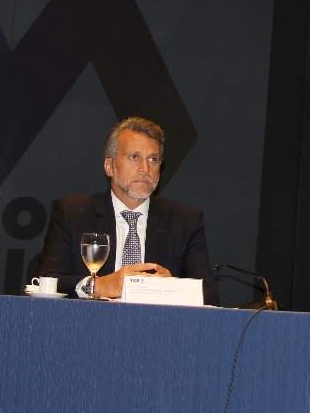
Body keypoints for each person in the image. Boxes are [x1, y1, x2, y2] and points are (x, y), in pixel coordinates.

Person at [35, 116, 214, 303]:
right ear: (109, 166)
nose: (145, 169)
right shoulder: (72, 213)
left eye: (153, 159)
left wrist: (172, 287)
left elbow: (209, 295)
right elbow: (46, 280)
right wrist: (98, 286)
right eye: (134, 157)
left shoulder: (185, 220)